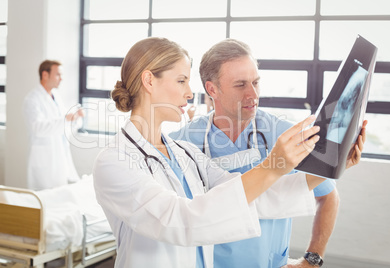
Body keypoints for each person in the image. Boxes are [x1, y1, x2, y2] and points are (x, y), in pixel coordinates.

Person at [92, 37, 333, 268]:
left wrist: (333, 162)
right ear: (149, 81)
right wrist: (273, 166)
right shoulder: (115, 161)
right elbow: (180, 220)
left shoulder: (184, 152)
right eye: (181, 80)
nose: (189, 93)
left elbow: (250, 195)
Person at [169, 39, 367, 268]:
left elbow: (327, 196)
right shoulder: (182, 142)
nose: (252, 94)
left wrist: (312, 260)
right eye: (240, 84)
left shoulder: (284, 134)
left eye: (256, 82)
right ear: (212, 89)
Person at [23, 60, 84, 190]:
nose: (61, 79)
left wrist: (75, 119)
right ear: (45, 75)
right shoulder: (32, 99)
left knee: (59, 197)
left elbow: (62, 126)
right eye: (58, 75)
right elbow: (38, 128)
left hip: (59, 156)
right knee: (43, 200)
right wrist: (66, 119)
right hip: (44, 161)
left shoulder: (55, 96)